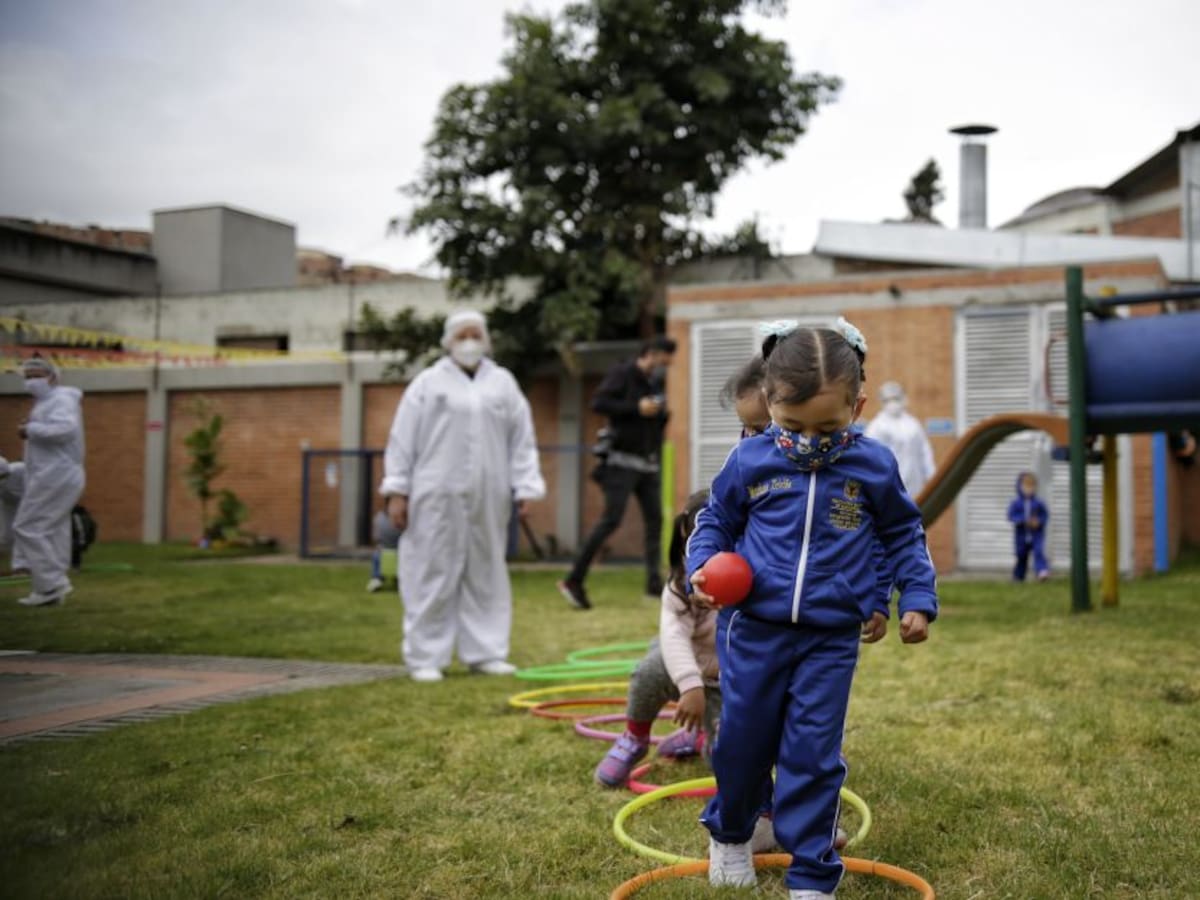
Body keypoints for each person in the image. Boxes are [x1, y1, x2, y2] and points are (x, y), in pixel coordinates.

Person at [686, 319, 938, 897]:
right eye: (791, 424)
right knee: (744, 741)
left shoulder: (872, 466)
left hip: (830, 638)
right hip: (753, 630)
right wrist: (704, 564)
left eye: (829, 425)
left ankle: (813, 872)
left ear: (859, 404)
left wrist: (915, 598)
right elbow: (715, 520)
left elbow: (903, 533)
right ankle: (730, 834)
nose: (810, 439)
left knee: (813, 753)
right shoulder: (751, 461)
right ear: (769, 402)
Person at [379, 310, 545, 682]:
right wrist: (396, 490)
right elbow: (402, 439)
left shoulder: (502, 383)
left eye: (476, 333)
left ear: (485, 339)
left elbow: (521, 439)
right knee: (431, 570)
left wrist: (525, 486)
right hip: (435, 493)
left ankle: (485, 652)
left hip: (490, 494)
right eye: (462, 334)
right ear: (448, 340)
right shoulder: (427, 384)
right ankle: (425, 657)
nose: (470, 340)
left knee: (486, 571)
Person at [593, 490, 722, 784]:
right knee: (648, 671)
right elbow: (674, 636)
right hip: (684, 669)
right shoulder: (681, 585)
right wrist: (690, 686)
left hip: (728, 685)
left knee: (724, 762)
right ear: (688, 537)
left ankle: (701, 738)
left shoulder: (754, 578)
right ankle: (634, 739)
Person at [558, 336, 677, 610]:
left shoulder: (654, 383)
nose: (665, 367)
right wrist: (636, 408)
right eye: (664, 361)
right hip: (620, 462)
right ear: (652, 353)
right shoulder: (623, 373)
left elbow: (654, 423)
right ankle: (574, 580)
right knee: (611, 520)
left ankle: (653, 584)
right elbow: (598, 403)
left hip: (647, 463)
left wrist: (659, 415)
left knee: (655, 521)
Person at [12, 356, 86, 607]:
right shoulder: (46, 403)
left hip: (57, 473)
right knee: (52, 529)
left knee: (27, 526)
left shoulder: (60, 399)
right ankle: (49, 591)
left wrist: (29, 430)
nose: (32, 381)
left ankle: (52, 583)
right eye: (28, 376)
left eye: (37, 375)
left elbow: (66, 430)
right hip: (54, 473)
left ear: (52, 377)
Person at [864, 380, 935, 497]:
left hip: (915, 484)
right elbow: (870, 458)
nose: (892, 403)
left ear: (903, 398)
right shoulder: (877, 426)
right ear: (882, 402)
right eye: (888, 400)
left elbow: (925, 452)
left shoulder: (913, 424)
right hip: (889, 486)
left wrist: (931, 477)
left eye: (896, 398)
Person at [1007, 471, 1050, 582]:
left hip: (1036, 535)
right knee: (1021, 556)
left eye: (1031, 486)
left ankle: (1042, 572)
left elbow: (1044, 515)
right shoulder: (1016, 503)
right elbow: (1011, 516)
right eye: (1026, 486)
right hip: (1021, 535)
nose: (1029, 489)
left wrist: (1039, 522)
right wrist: (1023, 521)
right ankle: (1018, 576)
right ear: (1020, 487)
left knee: (1038, 552)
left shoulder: (1038, 503)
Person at [365, 506, 402, 593]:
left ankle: (376, 578)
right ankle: (398, 579)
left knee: (377, 554)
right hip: (399, 550)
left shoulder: (379, 517)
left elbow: (376, 537)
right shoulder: (403, 517)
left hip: (383, 550)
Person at [0, 456, 26, 573]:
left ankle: (23, 566)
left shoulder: (21, 470)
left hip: (30, 501)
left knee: (25, 532)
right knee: (6, 536)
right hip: (8, 504)